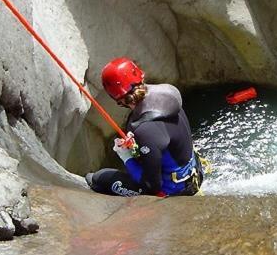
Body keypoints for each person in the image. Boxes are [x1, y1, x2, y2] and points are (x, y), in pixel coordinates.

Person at [85, 57, 204, 197]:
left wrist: (126, 157)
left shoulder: (145, 130)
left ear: (115, 96)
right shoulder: (167, 95)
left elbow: (152, 185)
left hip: (178, 190)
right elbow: (162, 137)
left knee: (98, 178)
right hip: (196, 174)